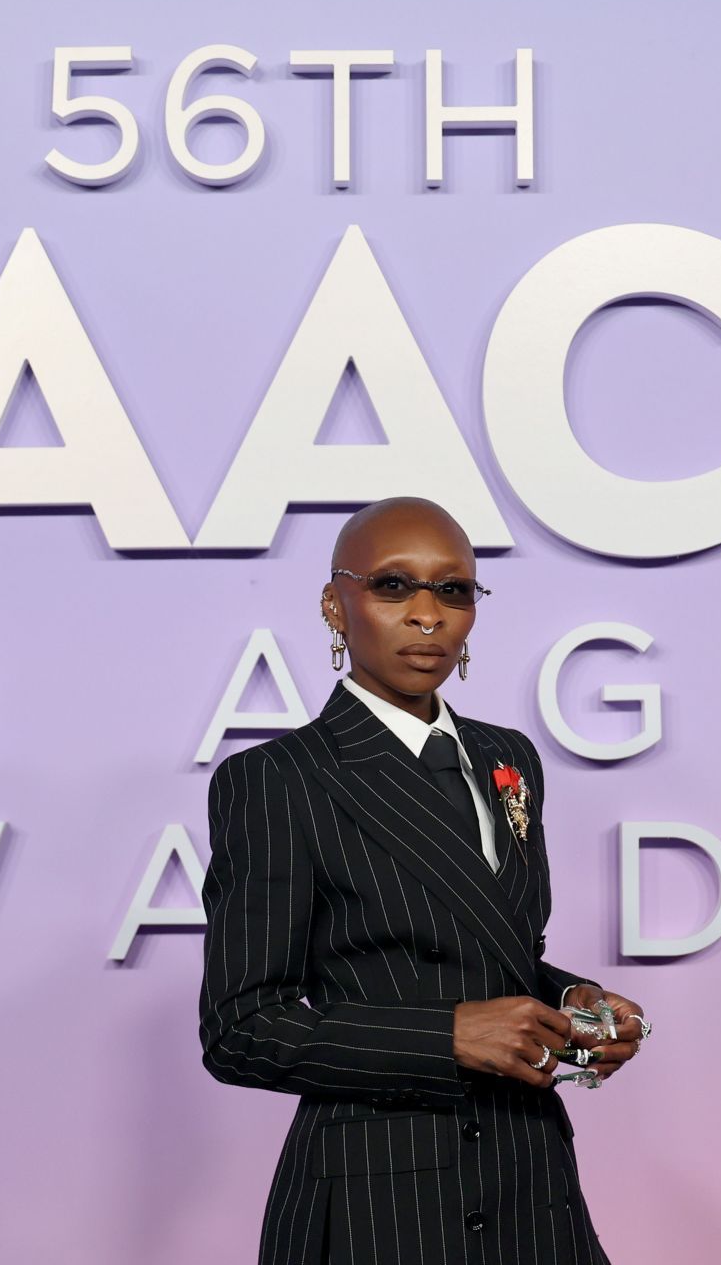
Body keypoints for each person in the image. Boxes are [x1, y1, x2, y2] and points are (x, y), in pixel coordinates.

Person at [198, 495, 648, 1265]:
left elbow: (483, 948)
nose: (428, 615)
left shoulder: (510, 757)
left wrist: (569, 1001)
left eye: (454, 589)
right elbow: (241, 1029)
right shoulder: (279, 779)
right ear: (336, 606)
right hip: (383, 1199)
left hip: (530, 1177)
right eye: (394, 586)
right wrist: (448, 1035)